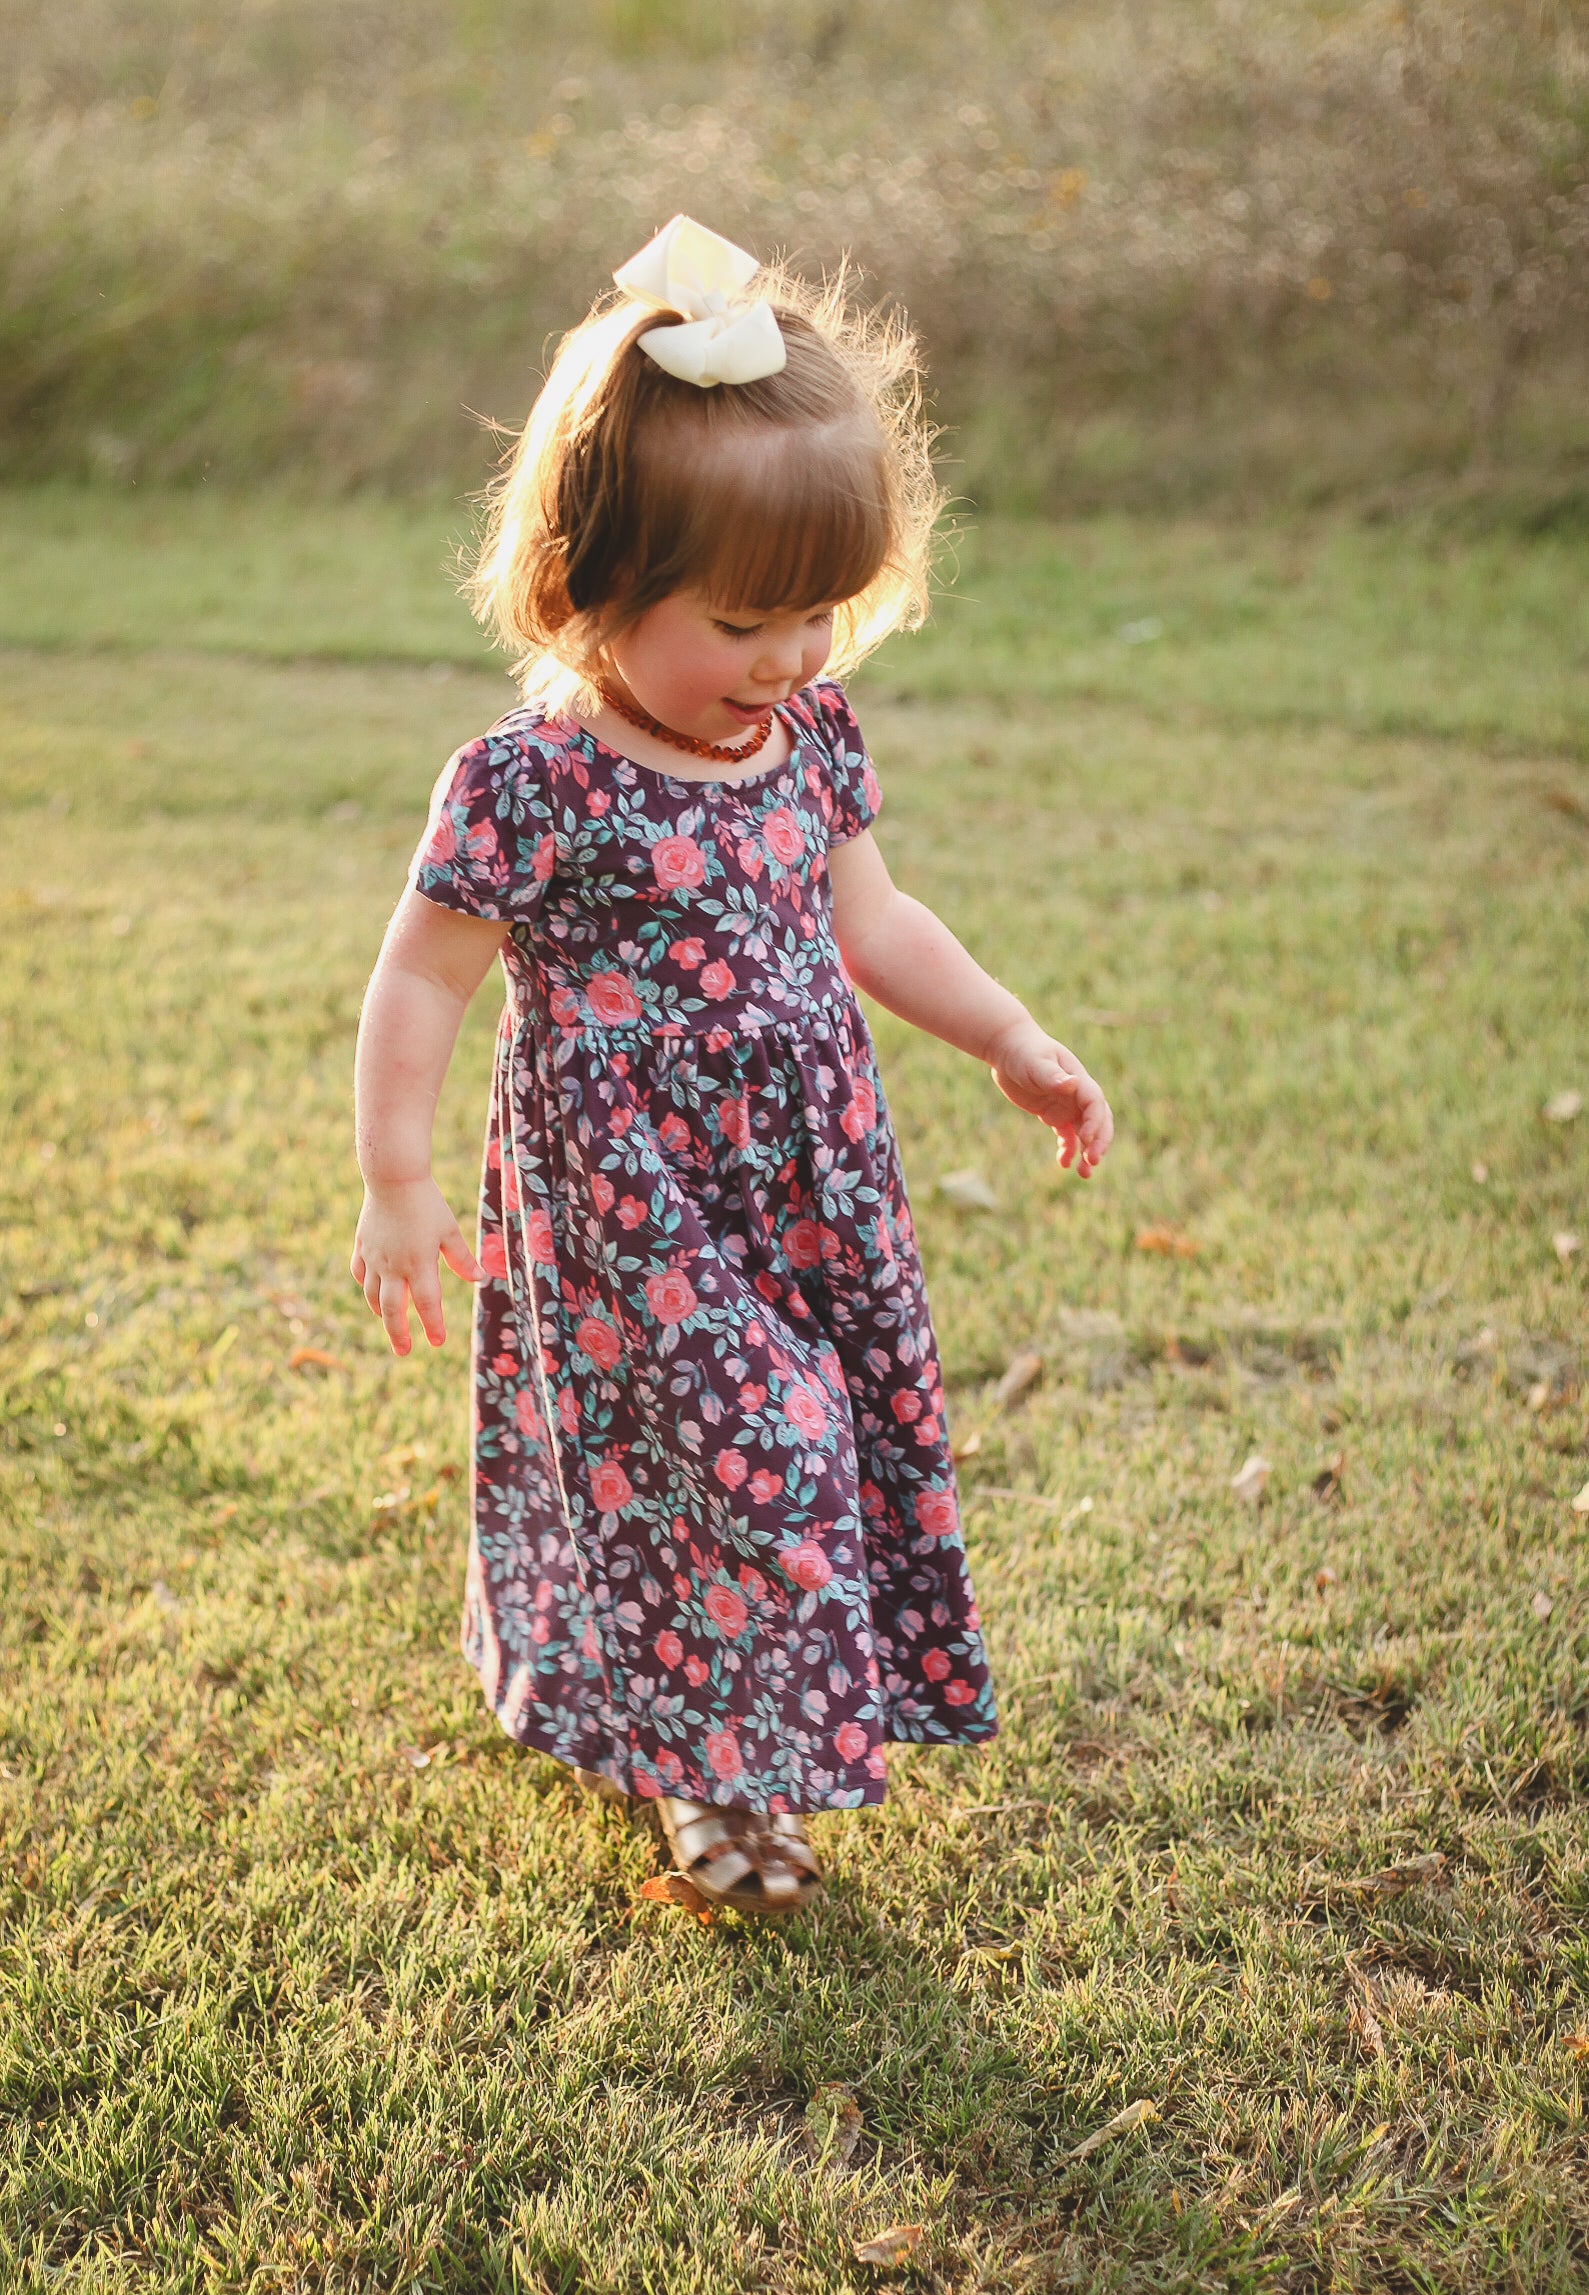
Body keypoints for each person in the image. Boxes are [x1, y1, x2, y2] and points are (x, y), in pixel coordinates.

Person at [350, 216, 1113, 1916]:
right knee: (746, 1441)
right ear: (587, 589)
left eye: (821, 613)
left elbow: (875, 919)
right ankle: (712, 1791)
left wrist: (1007, 1033)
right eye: (747, 618)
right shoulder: (527, 786)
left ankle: (725, 1737)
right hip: (624, 1203)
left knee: (804, 1435)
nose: (789, 656)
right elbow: (420, 976)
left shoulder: (808, 739)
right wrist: (394, 1182)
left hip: (809, 1177)